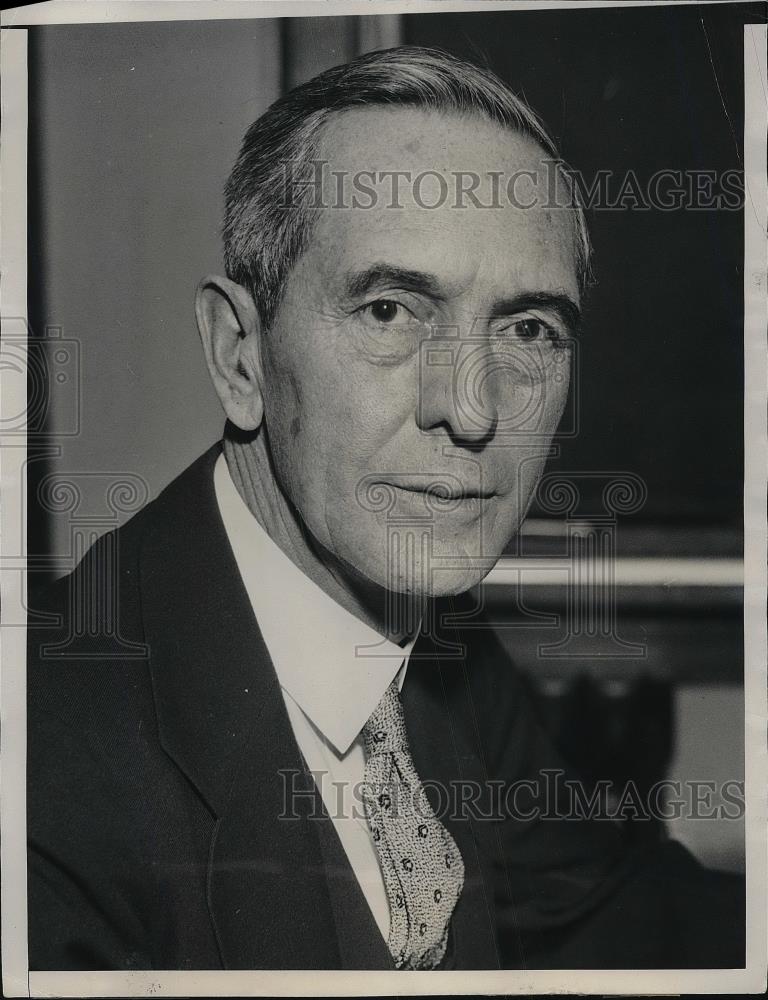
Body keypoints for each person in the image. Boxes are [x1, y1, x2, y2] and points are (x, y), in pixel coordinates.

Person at [27, 45, 744, 971]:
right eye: (390, 311)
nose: (472, 410)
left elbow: (608, 912)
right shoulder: (43, 775)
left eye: (528, 329)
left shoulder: (434, 630)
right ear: (238, 356)